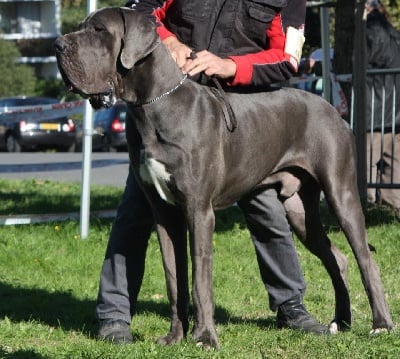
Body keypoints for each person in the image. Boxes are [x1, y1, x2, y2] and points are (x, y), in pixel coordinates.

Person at [96, 0, 329, 343]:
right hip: (168, 112)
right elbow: (138, 13)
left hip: (242, 119)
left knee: (266, 210)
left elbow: (287, 57)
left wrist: (231, 65)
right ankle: (114, 317)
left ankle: (290, 304)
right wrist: (168, 41)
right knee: (136, 210)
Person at [365, 0, 400, 210]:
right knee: (395, 164)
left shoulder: (371, 32)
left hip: (375, 114)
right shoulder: (394, 34)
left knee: (365, 163)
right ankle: (392, 208)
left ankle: (366, 207)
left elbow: (356, 63)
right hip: (396, 113)